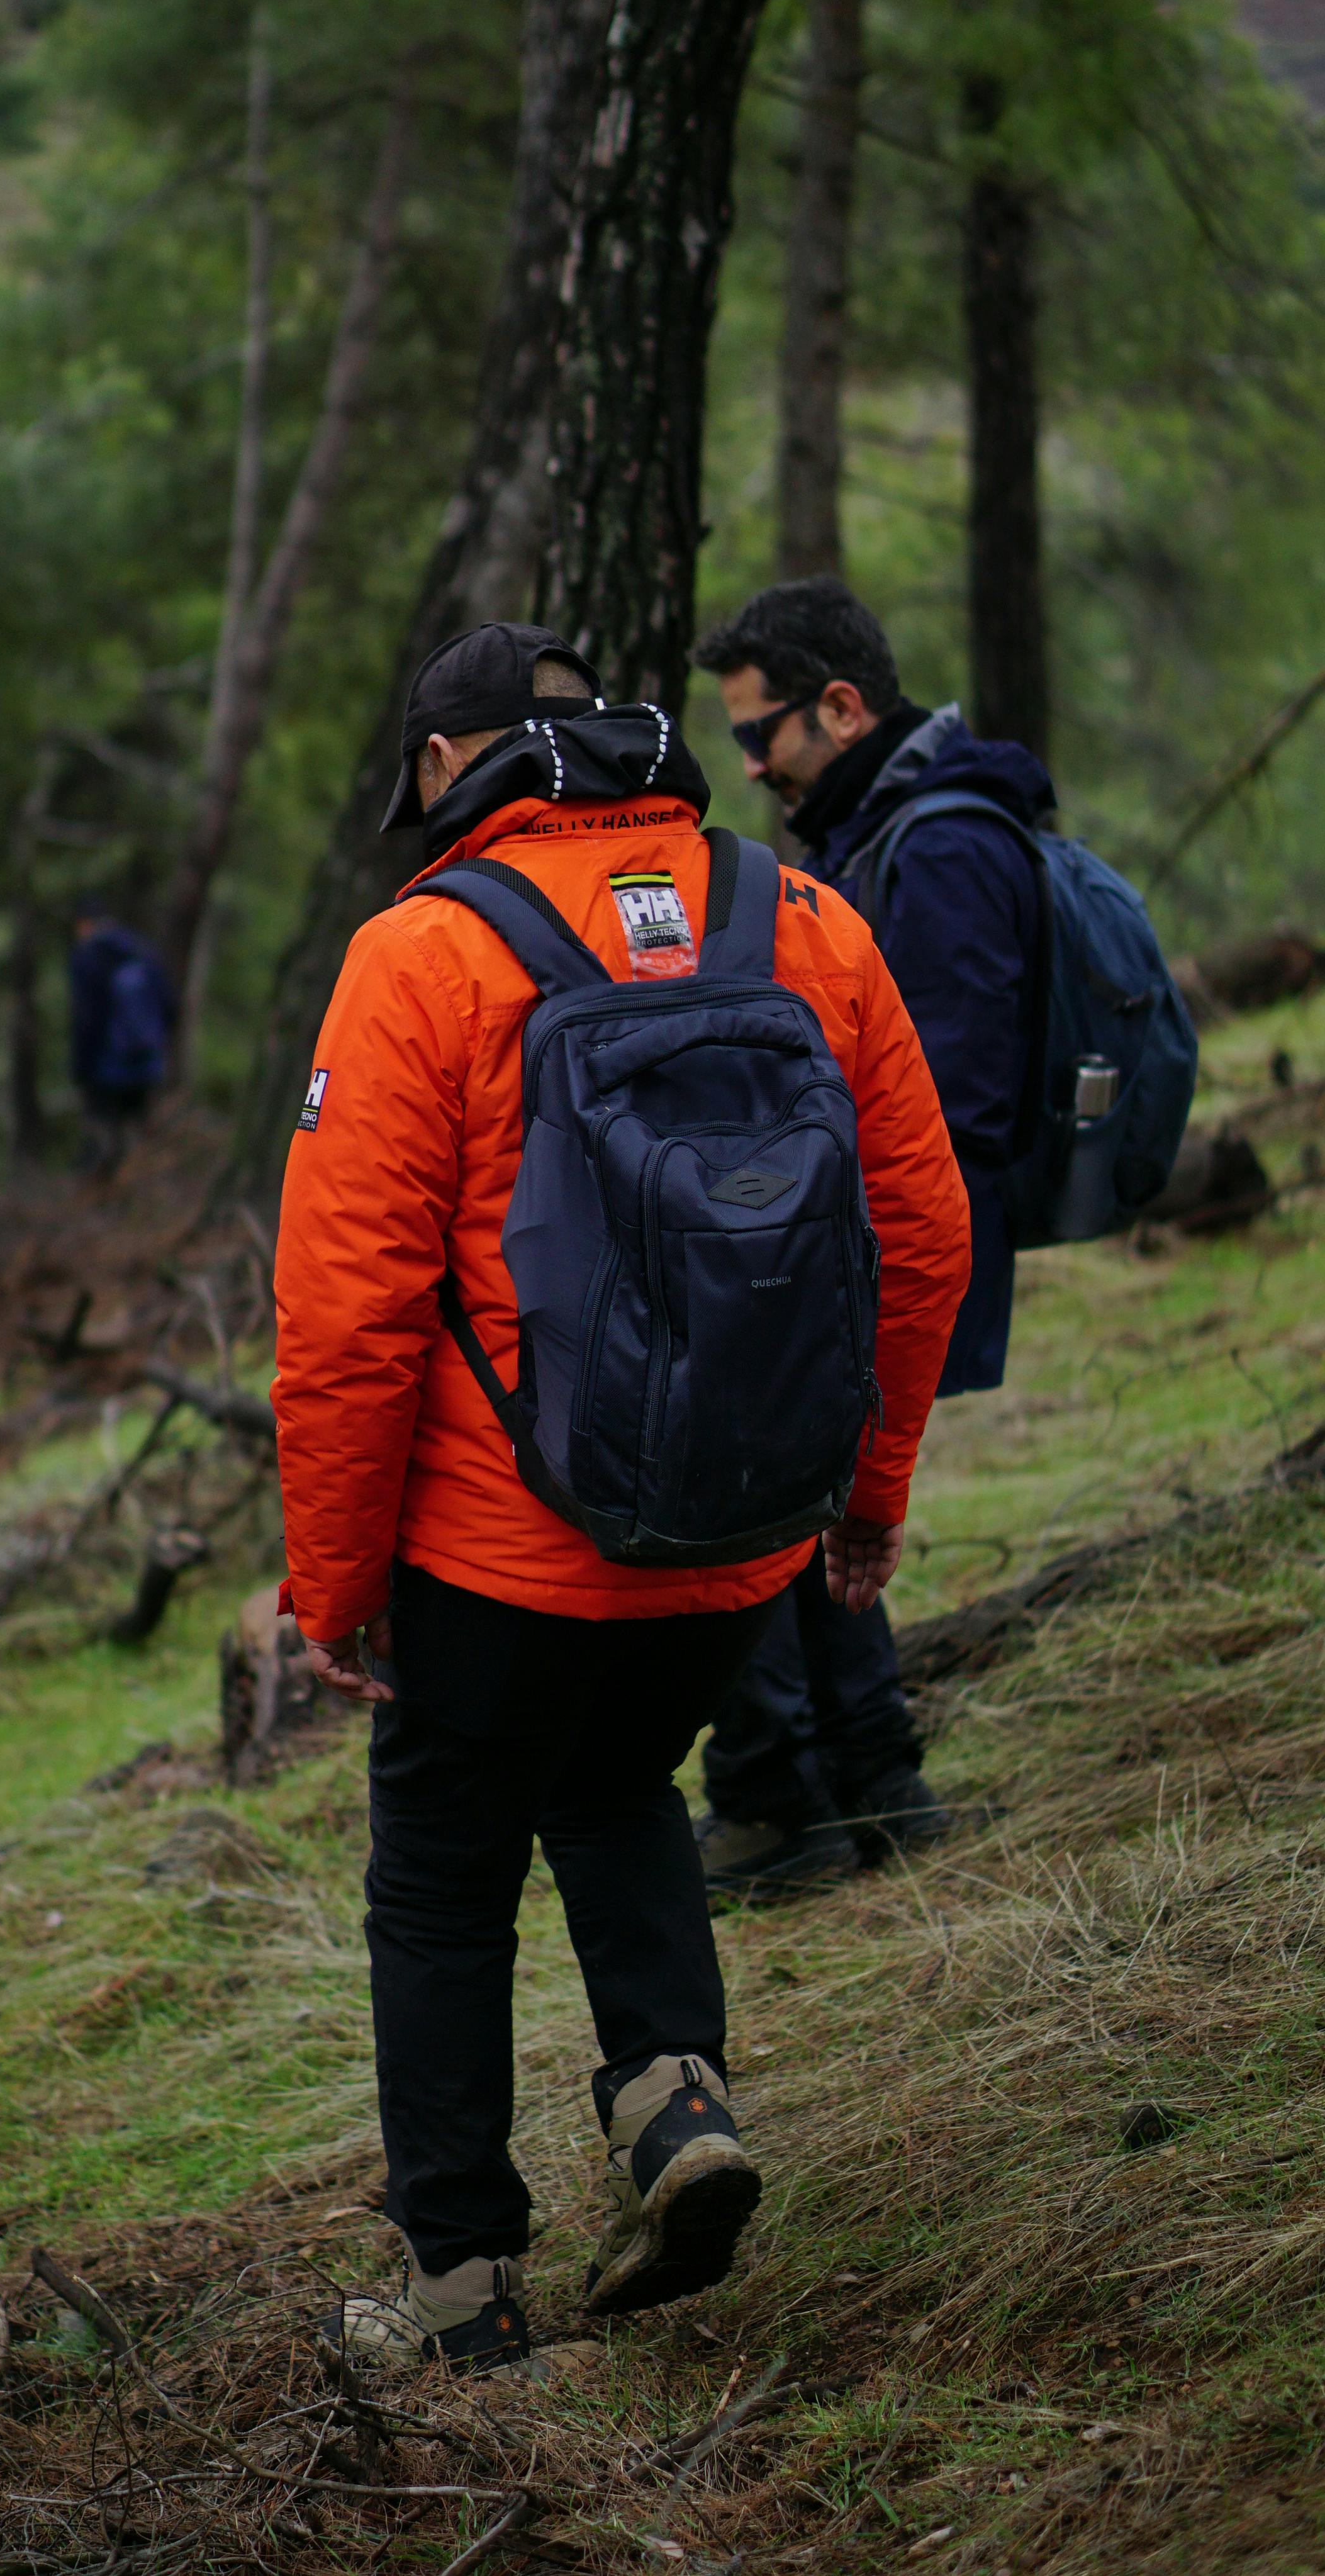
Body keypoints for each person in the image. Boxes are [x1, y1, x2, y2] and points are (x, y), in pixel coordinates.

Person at [270, 619, 970, 2372]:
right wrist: (863, 1492)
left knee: (440, 1877)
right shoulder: (794, 915)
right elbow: (919, 1229)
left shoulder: (422, 952)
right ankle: (673, 2102)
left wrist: (332, 1584)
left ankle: (459, 2287)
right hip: (738, 1536)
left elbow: (346, 1314)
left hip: (496, 1553)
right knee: (618, 1786)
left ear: (445, 764)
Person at [689, 576, 1049, 1901]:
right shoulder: (878, 833)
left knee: (772, 1504)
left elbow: (949, 1109)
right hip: (855, 1253)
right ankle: (874, 1782)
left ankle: (779, 1800)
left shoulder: (935, 849)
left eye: (761, 730)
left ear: (841, 708)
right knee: (815, 1511)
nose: (749, 763)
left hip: (883, 1260)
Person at [67, 899, 176, 1171]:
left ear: (83, 924)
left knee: (103, 1137)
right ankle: (141, 1186)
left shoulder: (88, 956)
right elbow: (170, 1007)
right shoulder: (142, 950)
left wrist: (81, 1066)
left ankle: (103, 1188)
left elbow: (88, 1018)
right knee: (139, 1138)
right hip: (145, 1063)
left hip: (106, 1067)